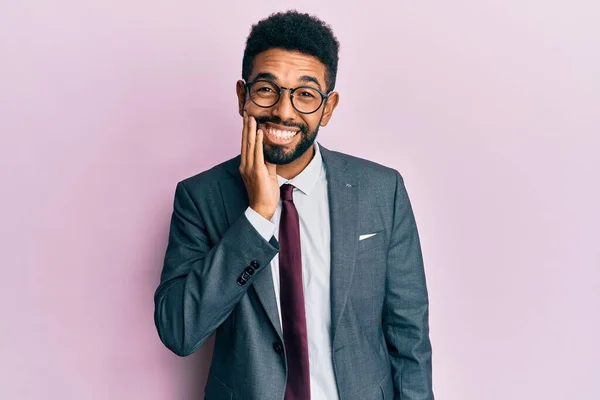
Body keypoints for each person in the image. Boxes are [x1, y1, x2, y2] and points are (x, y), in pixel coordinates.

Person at [154, 10, 434, 400]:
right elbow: (179, 331)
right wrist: (257, 219)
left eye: (305, 95)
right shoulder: (200, 197)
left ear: (328, 107)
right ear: (242, 96)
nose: (284, 112)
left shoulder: (381, 190)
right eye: (267, 89)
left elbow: (410, 336)